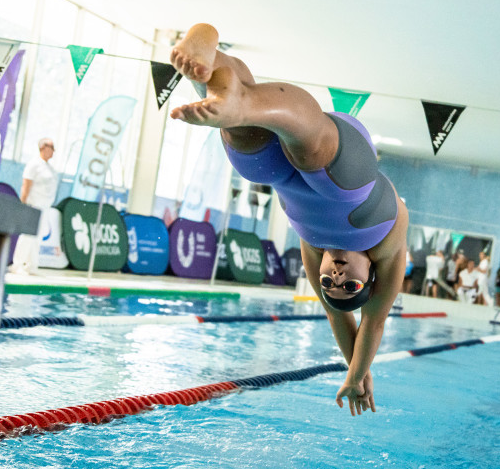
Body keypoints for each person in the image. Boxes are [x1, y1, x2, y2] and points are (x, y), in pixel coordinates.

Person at [170, 23, 409, 416]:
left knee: (252, 157)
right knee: (318, 162)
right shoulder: (387, 248)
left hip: (280, 175)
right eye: (350, 283)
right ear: (371, 276)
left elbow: (336, 313)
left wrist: (353, 375)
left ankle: (215, 67)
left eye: (330, 282)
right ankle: (240, 103)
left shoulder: (317, 254)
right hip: (343, 158)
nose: (335, 273)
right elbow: (373, 324)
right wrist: (360, 372)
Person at [11, 138, 58, 275]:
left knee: (37, 236)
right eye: (51, 147)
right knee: (27, 235)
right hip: (32, 205)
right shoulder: (34, 165)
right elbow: (26, 186)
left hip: (44, 207)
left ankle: (32, 265)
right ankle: (17, 264)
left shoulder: (49, 167)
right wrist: (23, 204)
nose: (54, 151)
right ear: (43, 147)